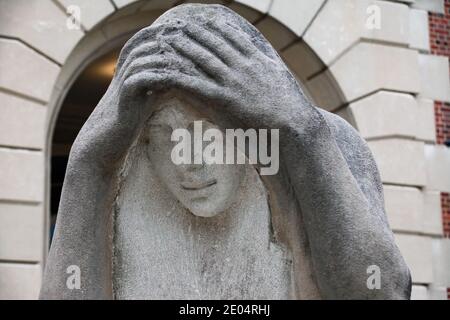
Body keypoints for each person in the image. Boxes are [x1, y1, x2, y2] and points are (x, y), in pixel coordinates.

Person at [40, 4, 411, 300]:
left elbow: (382, 293)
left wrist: (301, 130)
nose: (190, 162)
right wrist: (86, 161)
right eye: (164, 135)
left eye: (211, 134)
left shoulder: (319, 140)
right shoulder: (121, 164)